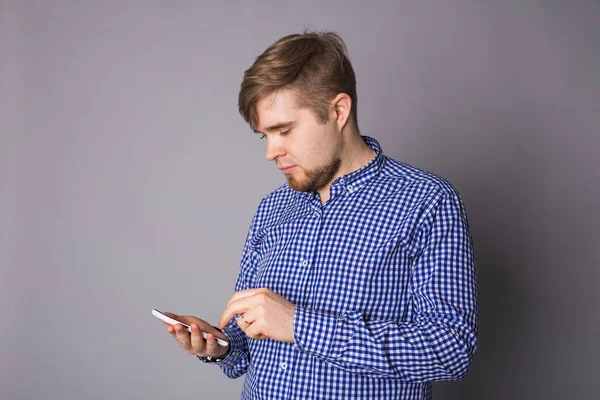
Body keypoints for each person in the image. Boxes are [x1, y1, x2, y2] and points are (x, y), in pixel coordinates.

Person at [161, 31, 478, 400]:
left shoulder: (427, 201)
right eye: (264, 135)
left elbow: (450, 350)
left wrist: (298, 324)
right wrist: (219, 346)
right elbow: (250, 342)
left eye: (284, 130)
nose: (271, 152)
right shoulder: (272, 208)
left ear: (338, 111)